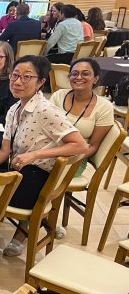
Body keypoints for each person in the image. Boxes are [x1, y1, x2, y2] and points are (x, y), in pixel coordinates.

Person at [0, 55, 87, 257]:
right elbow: (4, 151)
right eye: (15, 75)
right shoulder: (14, 109)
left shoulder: (46, 111)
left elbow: (81, 145)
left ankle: (20, 229)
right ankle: (43, 222)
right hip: (21, 169)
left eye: (27, 77)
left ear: (41, 82)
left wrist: (36, 154)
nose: (18, 82)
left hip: (39, 177)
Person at [49, 57, 114, 238]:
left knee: (44, 172)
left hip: (76, 157)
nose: (79, 77)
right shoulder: (58, 96)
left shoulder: (104, 107)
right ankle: (40, 213)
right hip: (48, 148)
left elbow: (93, 145)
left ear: (96, 78)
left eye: (86, 74)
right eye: (74, 73)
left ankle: (45, 219)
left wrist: (69, 155)